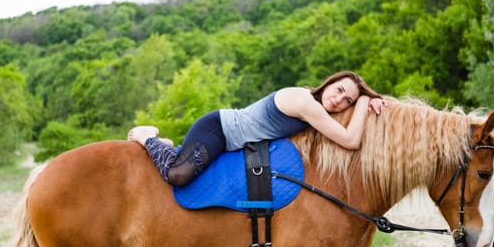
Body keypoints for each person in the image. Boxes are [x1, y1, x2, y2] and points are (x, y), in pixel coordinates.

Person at [128, 71, 387, 187]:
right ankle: (148, 136)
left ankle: (168, 146)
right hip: (218, 129)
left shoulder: (315, 107)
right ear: (329, 83)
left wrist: (369, 99)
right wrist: (364, 101)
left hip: (232, 141)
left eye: (348, 101)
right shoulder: (306, 102)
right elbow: (351, 140)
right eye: (339, 90)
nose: (339, 100)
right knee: (177, 176)